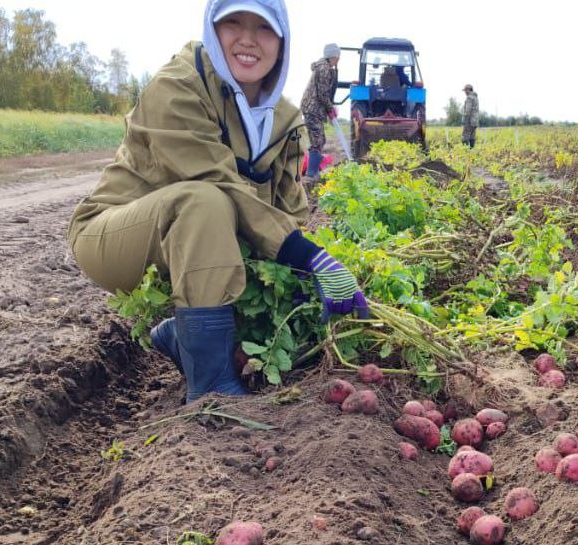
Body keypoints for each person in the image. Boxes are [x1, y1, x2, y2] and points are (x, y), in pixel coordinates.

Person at [66, 0, 367, 404]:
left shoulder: (285, 120)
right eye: (233, 24)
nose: (247, 39)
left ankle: (182, 337)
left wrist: (299, 279)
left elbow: (286, 214)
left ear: (282, 41)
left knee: (279, 284)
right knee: (204, 200)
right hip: (114, 237)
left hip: (195, 247)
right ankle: (210, 389)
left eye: (263, 28)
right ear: (212, 29)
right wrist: (310, 256)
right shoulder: (177, 86)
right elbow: (214, 180)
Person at [300, 43, 340, 180]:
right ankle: (312, 174)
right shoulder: (324, 69)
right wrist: (330, 108)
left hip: (313, 108)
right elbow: (323, 93)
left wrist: (329, 107)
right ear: (333, 56)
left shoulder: (325, 67)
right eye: (338, 55)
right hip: (312, 108)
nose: (339, 59)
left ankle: (314, 171)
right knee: (317, 140)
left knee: (320, 139)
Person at [462, 84, 479, 148]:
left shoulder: (469, 98)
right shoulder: (475, 98)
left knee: (465, 137)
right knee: (472, 137)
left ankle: (465, 152)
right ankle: (472, 152)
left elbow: (467, 111)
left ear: (468, 90)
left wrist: (464, 121)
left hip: (469, 121)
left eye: (465, 90)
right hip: (475, 121)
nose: (465, 92)